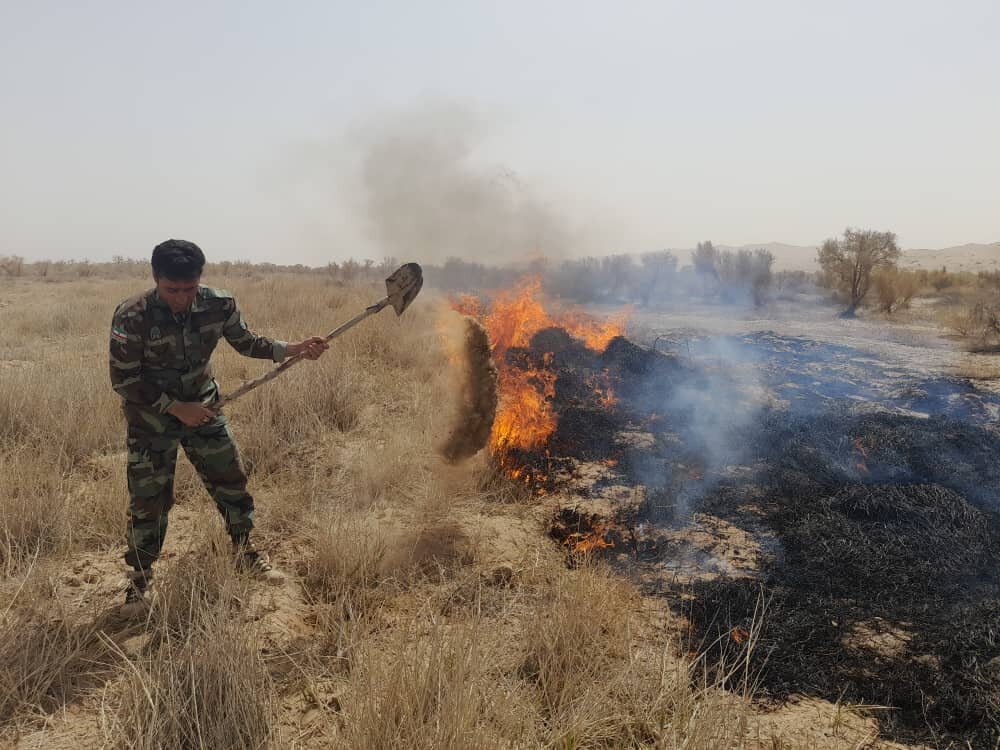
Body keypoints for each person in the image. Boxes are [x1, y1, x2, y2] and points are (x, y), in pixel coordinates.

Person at [110, 239, 328, 616]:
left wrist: (294, 349)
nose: (181, 298)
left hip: (206, 411)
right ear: (155, 279)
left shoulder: (219, 303)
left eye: (189, 289)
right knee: (149, 500)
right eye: (171, 290)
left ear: (200, 280)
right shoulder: (132, 315)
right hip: (152, 421)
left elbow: (247, 342)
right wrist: (176, 407)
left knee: (231, 481)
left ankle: (245, 552)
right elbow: (124, 380)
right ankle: (140, 580)